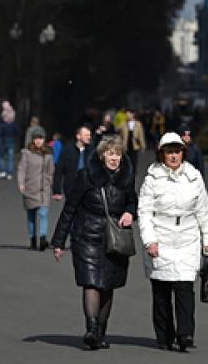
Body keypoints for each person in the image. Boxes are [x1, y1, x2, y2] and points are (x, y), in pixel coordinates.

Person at [51, 136, 137, 350]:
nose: (114, 158)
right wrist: (59, 241)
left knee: (108, 284)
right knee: (91, 282)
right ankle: (91, 328)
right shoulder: (86, 176)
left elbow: (133, 200)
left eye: (117, 153)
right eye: (110, 153)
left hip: (114, 238)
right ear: (101, 156)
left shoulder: (126, 177)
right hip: (87, 236)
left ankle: (100, 332)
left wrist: (130, 212)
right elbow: (69, 208)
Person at [138, 132, 208, 351]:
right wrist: (149, 240)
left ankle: (185, 334)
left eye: (177, 151)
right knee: (161, 290)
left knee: (184, 287)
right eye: (169, 152)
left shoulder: (194, 176)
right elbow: (144, 212)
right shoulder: (151, 178)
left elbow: (204, 210)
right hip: (160, 235)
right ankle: (164, 336)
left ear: (184, 152)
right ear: (161, 154)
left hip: (187, 236)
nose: (173, 156)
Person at [17, 126, 55, 251]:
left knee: (43, 214)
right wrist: (21, 183)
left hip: (44, 189)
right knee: (31, 217)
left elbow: (51, 171)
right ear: (32, 140)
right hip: (30, 188)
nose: (38, 141)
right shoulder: (26, 153)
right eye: (36, 138)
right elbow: (22, 169)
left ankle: (43, 238)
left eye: (41, 138)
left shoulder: (48, 154)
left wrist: (51, 183)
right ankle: (32, 239)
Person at [53, 125, 94, 202]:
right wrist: (57, 191)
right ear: (78, 136)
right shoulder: (68, 149)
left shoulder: (92, 151)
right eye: (86, 135)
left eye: (90, 135)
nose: (89, 137)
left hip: (87, 189)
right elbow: (59, 170)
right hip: (70, 188)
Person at [0, 100, 19, 180]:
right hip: (11, 140)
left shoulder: (3, 118)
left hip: (4, 140)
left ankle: (3, 171)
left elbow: (0, 132)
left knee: (1, 156)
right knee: (11, 158)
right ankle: (9, 174)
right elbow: (17, 132)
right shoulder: (13, 114)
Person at [119, 109, 145, 176]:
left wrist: (143, 146)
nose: (127, 116)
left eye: (128, 114)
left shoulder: (138, 124)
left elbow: (141, 136)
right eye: (126, 114)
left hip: (134, 146)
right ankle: (127, 174)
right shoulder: (123, 124)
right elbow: (119, 134)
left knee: (134, 161)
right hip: (126, 145)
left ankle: (133, 175)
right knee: (126, 161)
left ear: (133, 114)